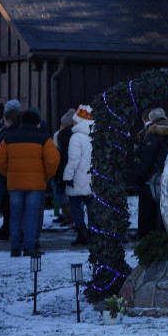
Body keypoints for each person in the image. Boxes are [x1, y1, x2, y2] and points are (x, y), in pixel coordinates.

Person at [0, 109, 59, 257]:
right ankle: (29, 247)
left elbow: (0, 160)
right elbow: (53, 160)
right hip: (35, 185)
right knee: (31, 216)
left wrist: (9, 175)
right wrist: (46, 176)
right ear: (37, 124)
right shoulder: (43, 139)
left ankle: (15, 248)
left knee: (15, 215)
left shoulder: (9, 138)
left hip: (15, 184)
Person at [135, 108, 168, 238]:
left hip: (153, 178)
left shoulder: (153, 133)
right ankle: (165, 235)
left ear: (152, 119)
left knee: (148, 209)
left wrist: (139, 176)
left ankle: (147, 236)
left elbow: (147, 158)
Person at [0, 101, 22, 241]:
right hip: (19, 174)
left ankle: (11, 232)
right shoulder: (26, 129)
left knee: (7, 203)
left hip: (7, 174)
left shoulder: (3, 132)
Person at [62, 105, 94, 246]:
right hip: (92, 178)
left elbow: (73, 160)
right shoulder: (94, 134)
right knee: (92, 206)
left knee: (75, 205)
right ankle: (93, 232)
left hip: (77, 178)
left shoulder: (76, 138)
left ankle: (81, 232)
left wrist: (67, 177)